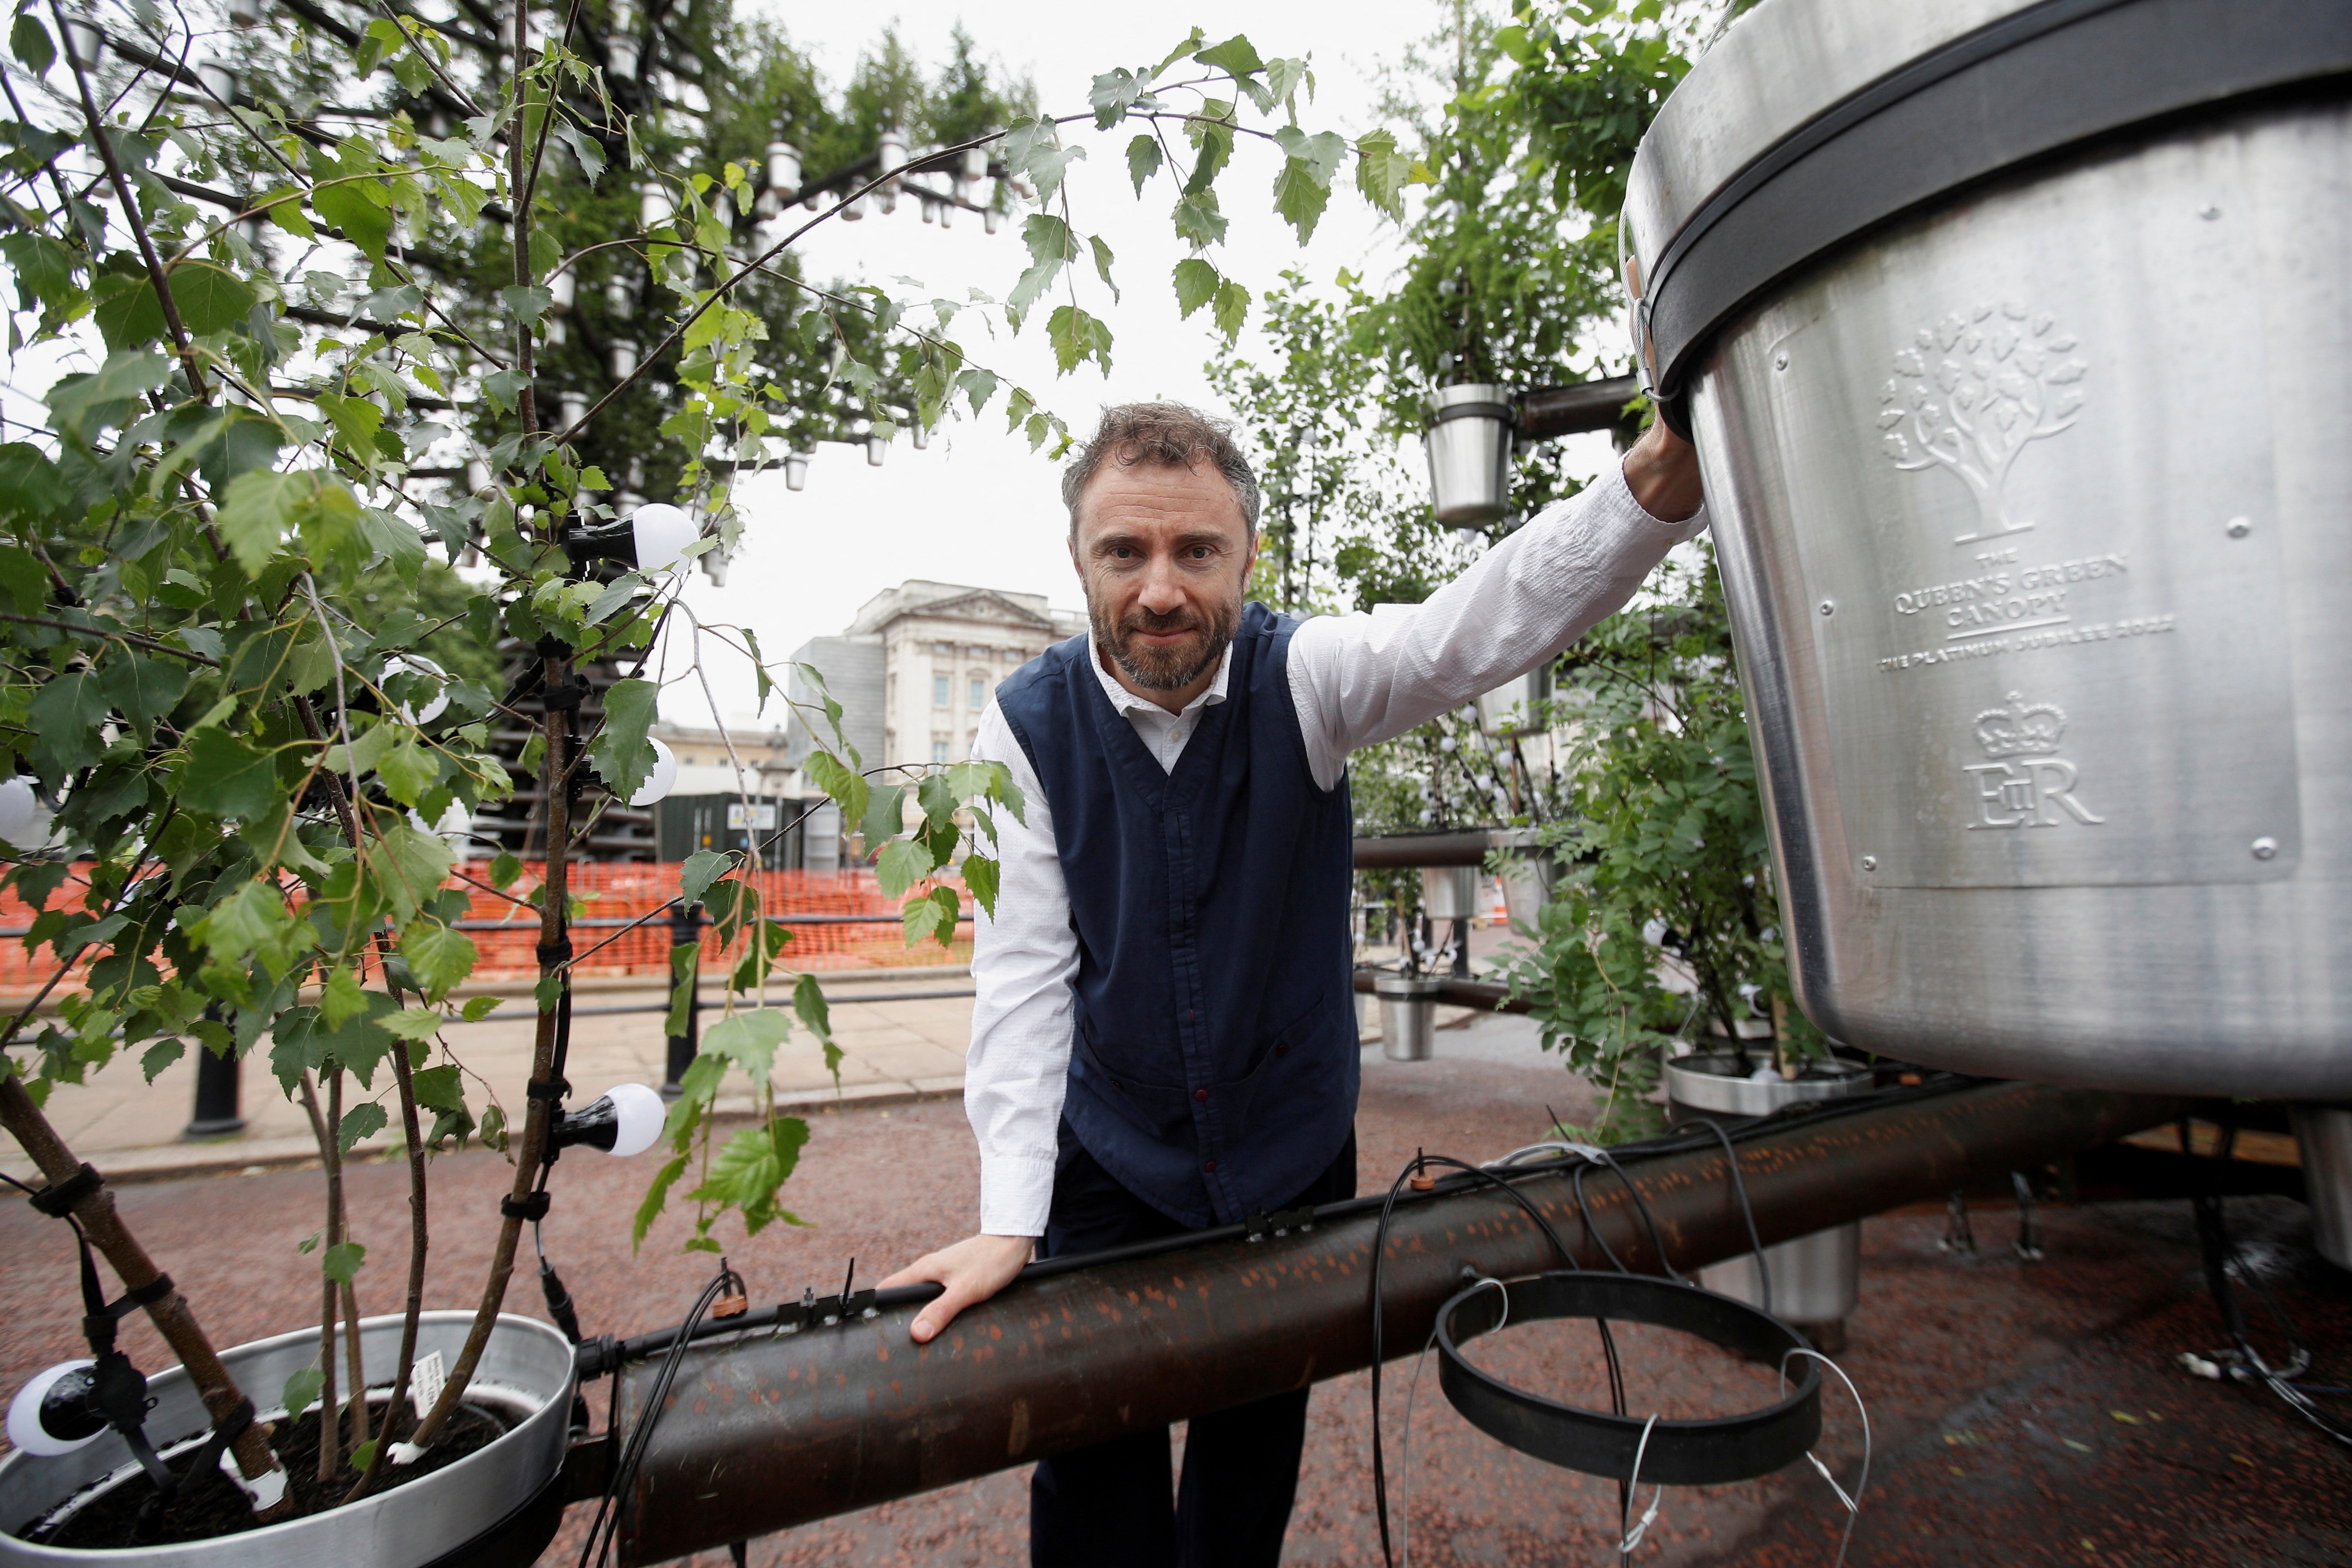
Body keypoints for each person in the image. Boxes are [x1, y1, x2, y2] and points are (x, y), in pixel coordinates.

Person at [880, 401, 1708, 1566]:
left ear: (1247, 557)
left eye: (1195, 551)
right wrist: (1011, 1218)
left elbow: (1466, 633)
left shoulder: (1306, 677)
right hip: (1110, 1151)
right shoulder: (1025, 724)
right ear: (1079, 559)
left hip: (1287, 1144)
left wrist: (1654, 486)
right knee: (1088, 1450)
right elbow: (1023, 974)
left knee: (1254, 1444)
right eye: (1125, 551)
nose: (1160, 589)